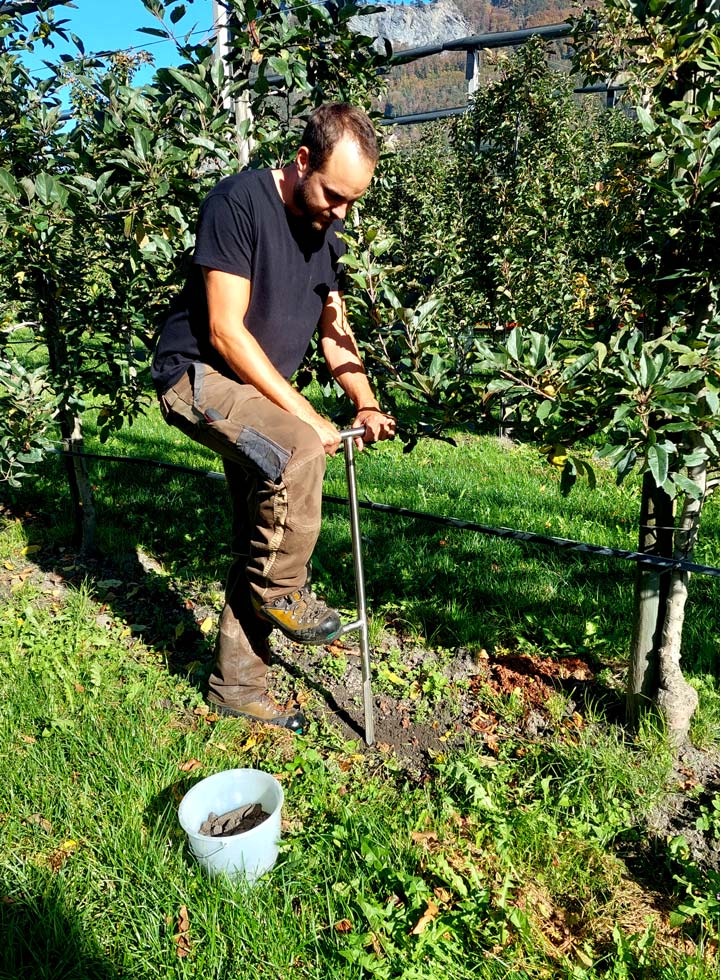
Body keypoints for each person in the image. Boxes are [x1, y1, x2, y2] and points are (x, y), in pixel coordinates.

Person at [151, 103, 396, 732]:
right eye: (335, 196)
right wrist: (308, 416)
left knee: (261, 538)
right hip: (199, 379)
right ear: (303, 160)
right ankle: (284, 591)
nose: (341, 213)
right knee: (298, 450)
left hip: (252, 395)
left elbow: (337, 338)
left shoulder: (326, 239)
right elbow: (225, 333)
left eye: (352, 202)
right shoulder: (237, 204)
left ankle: (236, 686)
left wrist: (364, 401)